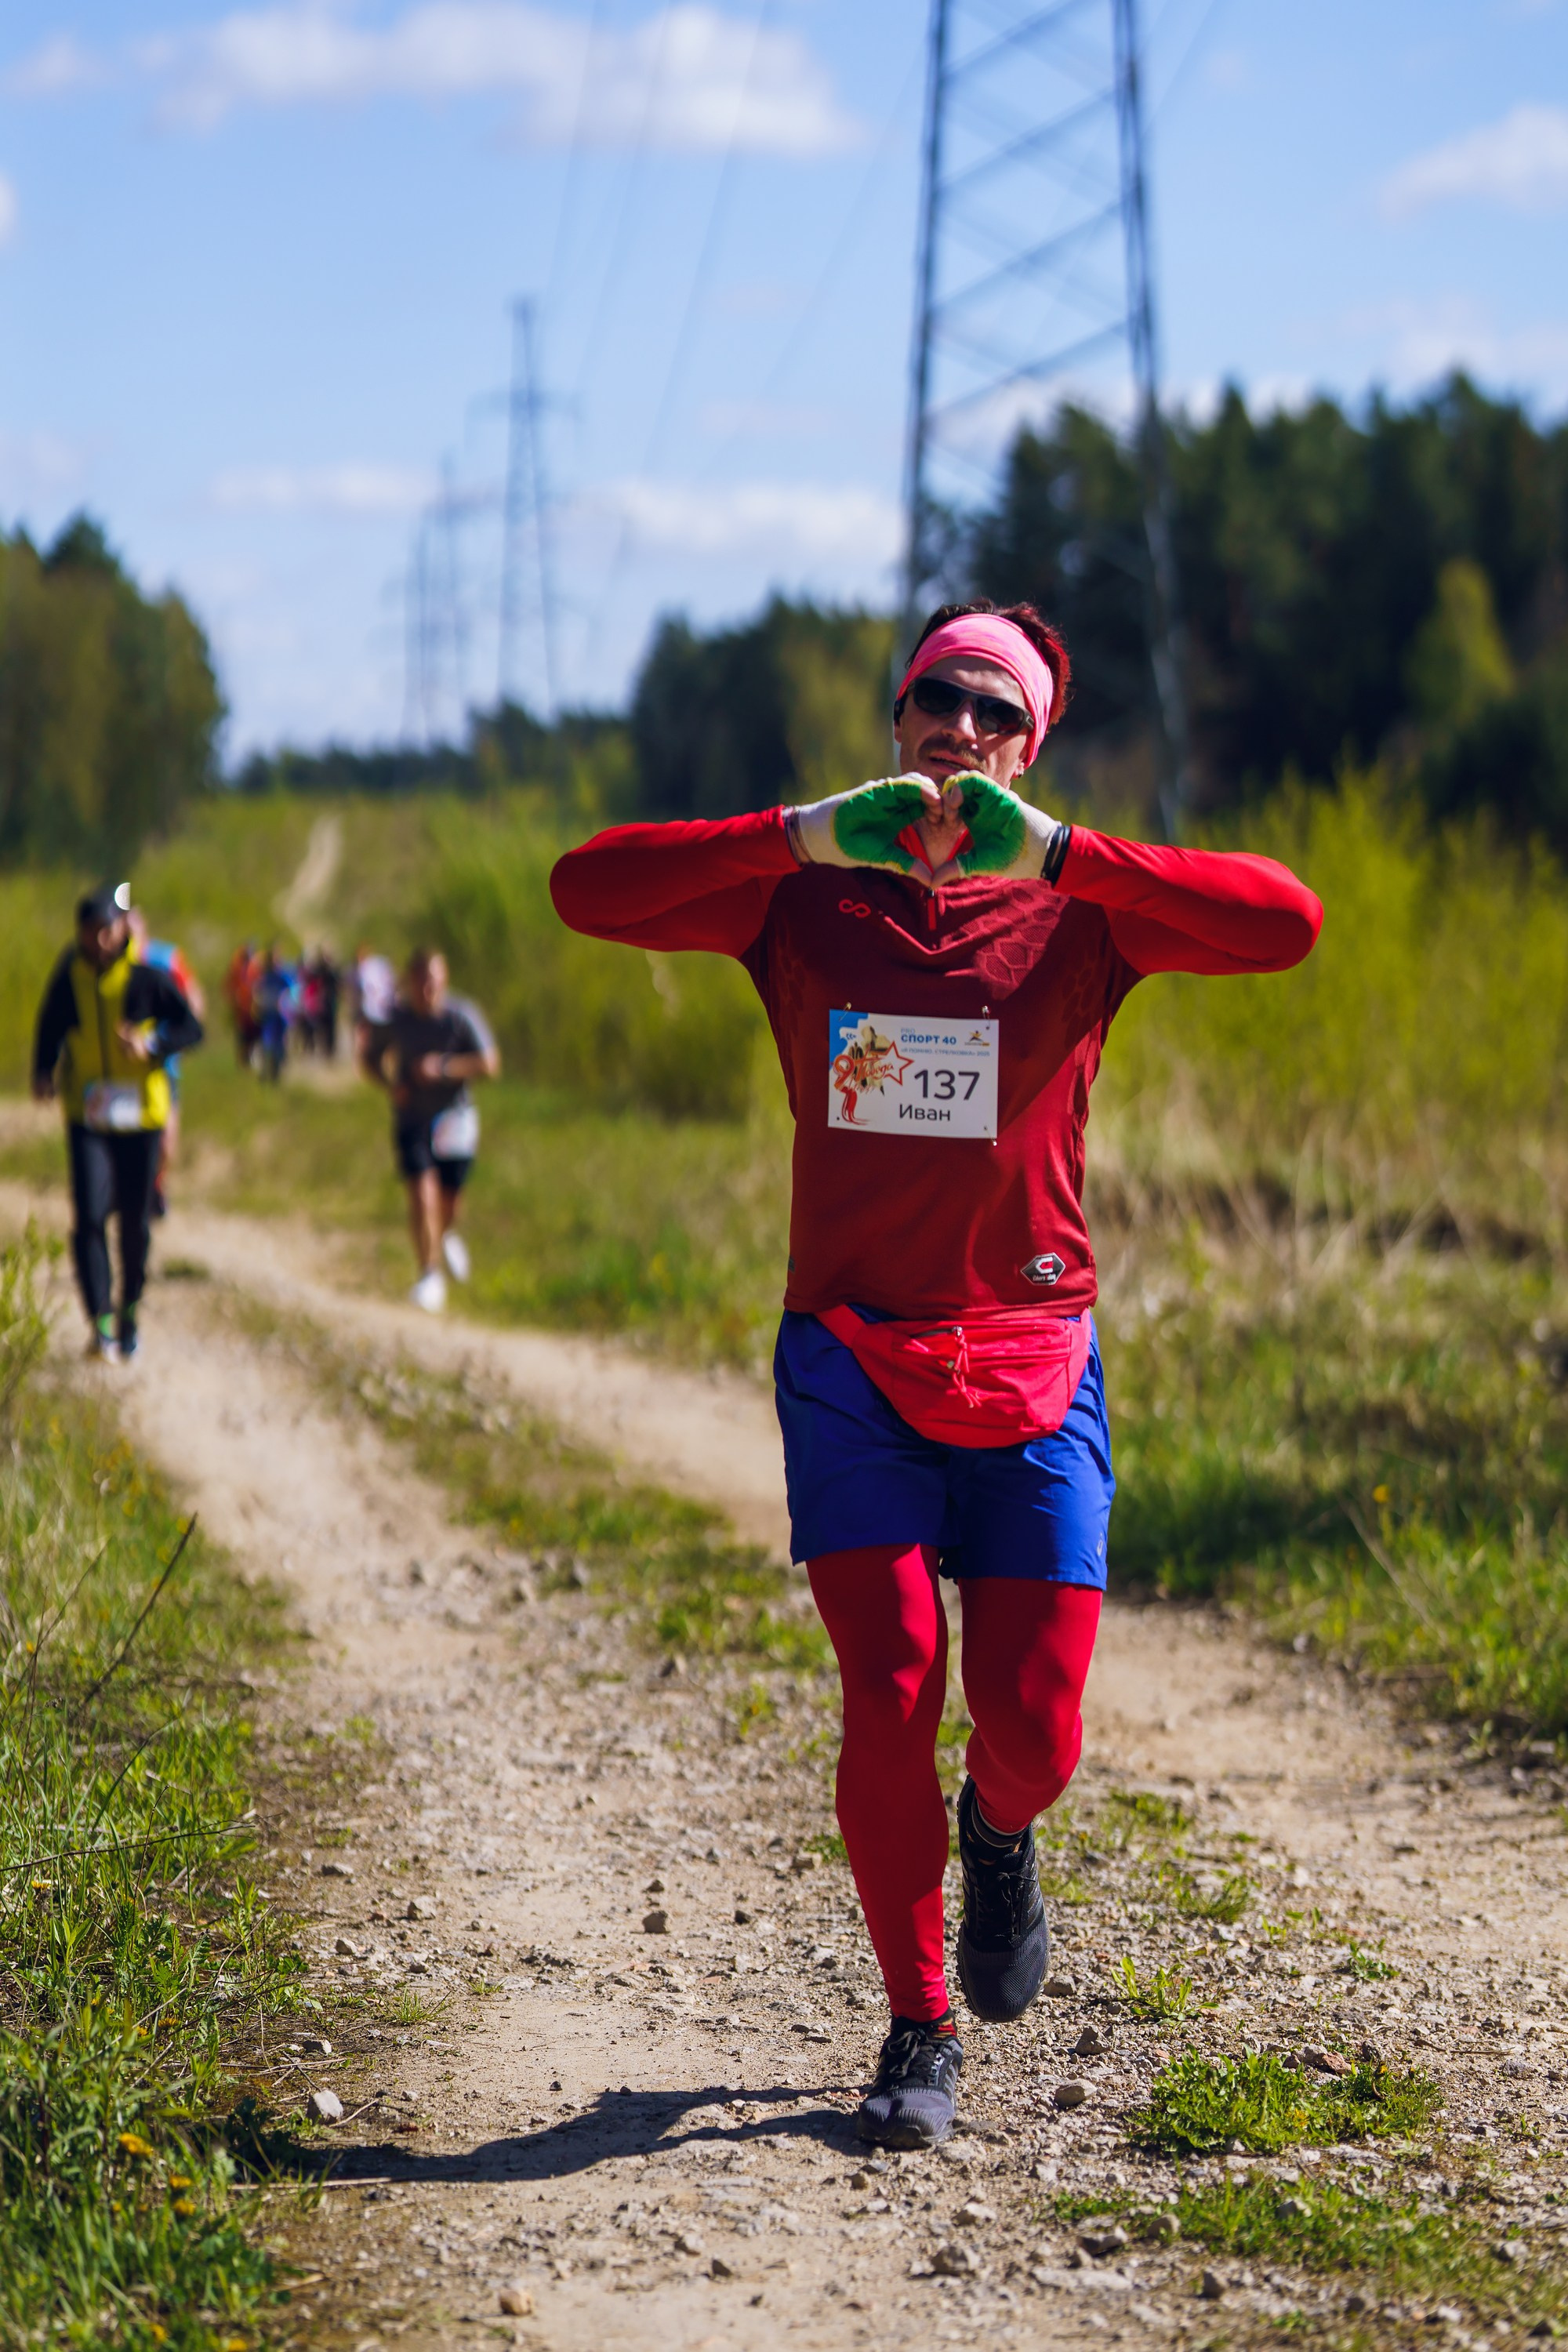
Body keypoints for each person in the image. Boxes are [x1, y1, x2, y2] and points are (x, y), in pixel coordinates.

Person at [550, 598, 1323, 2150]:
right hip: (847, 1349)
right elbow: (584, 891)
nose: (954, 728)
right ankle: (916, 2029)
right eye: (930, 701)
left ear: (1028, 747)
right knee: (890, 1675)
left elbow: (1285, 922)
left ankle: (1002, 1828)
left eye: (990, 710)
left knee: (1036, 1726)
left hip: (1036, 1351)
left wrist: (1064, 856)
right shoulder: (803, 907)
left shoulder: (1078, 916)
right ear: (893, 726)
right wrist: (797, 833)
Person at [32, 882, 205, 1363]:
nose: (98, 939)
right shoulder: (69, 977)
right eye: (89, 931)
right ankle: (100, 1321)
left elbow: (192, 1028)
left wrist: (150, 1045)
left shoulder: (150, 978)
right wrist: (43, 1070)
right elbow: (50, 1024)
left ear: (121, 929)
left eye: (106, 929)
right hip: (87, 1114)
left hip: (141, 1117)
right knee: (88, 1214)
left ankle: (129, 1312)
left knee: (134, 1220)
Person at [358, 948, 499, 1312]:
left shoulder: (462, 1015)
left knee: (449, 1201)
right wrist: (392, 1086)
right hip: (412, 1118)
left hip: (456, 1118)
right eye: (421, 981)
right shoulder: (396, 1019)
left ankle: (446, 1234)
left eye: (434, 981)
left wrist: (445, 1068)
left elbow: (490, 1063)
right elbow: (370, 1059)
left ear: (445, 979)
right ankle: (429, 1274)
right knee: (422, 1195)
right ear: (409, 982)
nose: (427, 989)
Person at [129, 906, 205, 1218]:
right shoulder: (108, 965)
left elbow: (194, 999)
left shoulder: (165, 958)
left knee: (166, 1140)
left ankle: (156, 1183)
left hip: (162, 1063)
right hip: (119, 1069)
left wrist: (182, 1037)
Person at [252, 944, 295, 1083]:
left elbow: (293, 990)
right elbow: (258, 991)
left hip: (281, 1015)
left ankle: (276, 1072)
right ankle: (265, 1071)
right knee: (266, 1044)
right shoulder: (266, 976)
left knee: (279, 1045)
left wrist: (287, 1003)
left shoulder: (283, 975)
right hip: (269, 1014)